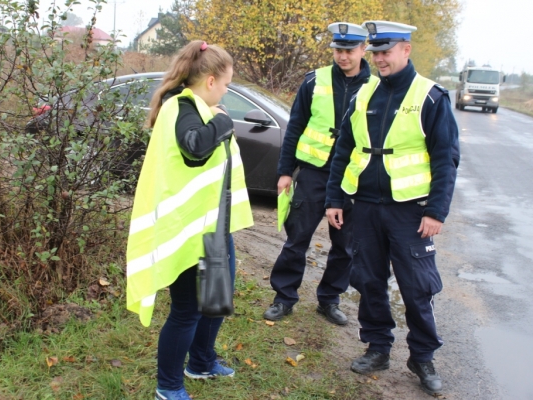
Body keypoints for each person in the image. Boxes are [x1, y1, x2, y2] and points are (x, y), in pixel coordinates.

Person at [325, 21, 460, 396]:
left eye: (386, 51)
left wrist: (436, 211)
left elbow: (446, 159)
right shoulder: (365, 94)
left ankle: (423, 356)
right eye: (376, 53)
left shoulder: (431, 96)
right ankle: (378, 347)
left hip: (410, 212)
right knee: (368, 280)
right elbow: (344, 151)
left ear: (406, 50)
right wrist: (335, 199)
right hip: (365, 207)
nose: (380, 59)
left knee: (417, 287)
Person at [125, 40, 254, 400]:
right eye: (227, 83)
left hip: (211, 226)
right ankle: (168, 386)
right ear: (211, 80)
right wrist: (225, 122)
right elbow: (194, 148)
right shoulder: (182, 107)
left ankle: (201, 362)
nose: (227, 91)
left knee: (216, 300)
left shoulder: (200, 108)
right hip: (186, 232)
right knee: (187, 311)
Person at [263, 23, 371, 325]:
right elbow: (294, 126)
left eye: (349, 51)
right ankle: (284, 298)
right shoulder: (315, 81)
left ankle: (329, 300)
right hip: (313, 174)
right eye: (338, 50)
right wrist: (285, 171)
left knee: (345, 247)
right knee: (296, 239)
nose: (343, 56)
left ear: (363, 50)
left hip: (351, 180)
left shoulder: (375, 87)